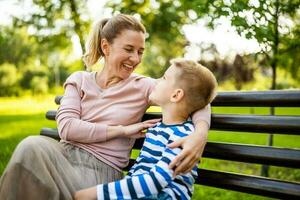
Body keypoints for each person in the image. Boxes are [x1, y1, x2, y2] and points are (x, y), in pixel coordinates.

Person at [0, 14, 212, 200]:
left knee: (30, 152)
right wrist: (121, 130)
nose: (135, 59)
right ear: (105, 47)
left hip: (99, 174)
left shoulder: (142, 86)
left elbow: (195, 95)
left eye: (140, 52)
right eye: (129, 49)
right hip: (62, 158)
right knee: (30, 148)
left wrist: (199, 135)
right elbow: (67, 128)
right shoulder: (79, 79)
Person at [74, 58, 218, 200]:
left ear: (176, 95)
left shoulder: (183, 136)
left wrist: (97, 193)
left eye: (164, 78)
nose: (157, 81)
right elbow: (140, 171)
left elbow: (156, 181)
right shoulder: (156, 128)